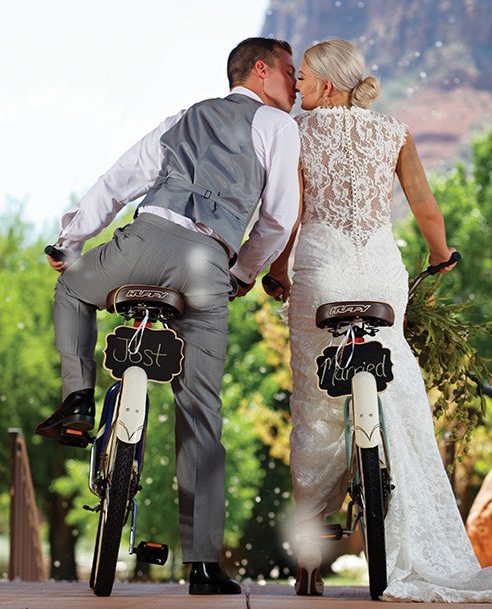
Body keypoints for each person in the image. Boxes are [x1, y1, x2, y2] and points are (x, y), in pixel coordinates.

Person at [265, 38, 492, 602]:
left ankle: (310, 557)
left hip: (322, 273)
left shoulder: (300, 134)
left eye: (305, 77)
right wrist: (440, 254)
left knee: (316, 408)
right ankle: (409, 525)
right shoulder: (396, 131)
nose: (299, 87)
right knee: (400, 390)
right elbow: (425, 208)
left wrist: (278, 272)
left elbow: (290, 218)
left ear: (328, 86)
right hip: (381, 274)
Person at [35, 37, 300, 595]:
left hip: (143, 238)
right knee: (201, 410)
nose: (296, 84)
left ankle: (78, 397)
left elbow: (118, 181)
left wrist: (71, 240)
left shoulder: (180, 119)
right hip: (208, 261)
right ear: (260, 70)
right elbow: (278, 218)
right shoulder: (278, 127)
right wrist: (245, 272)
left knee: (73, 291)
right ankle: (203, 567)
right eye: (290, 71)